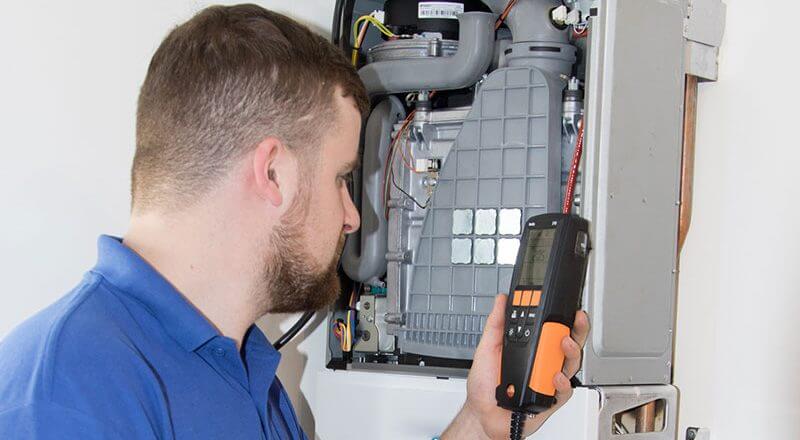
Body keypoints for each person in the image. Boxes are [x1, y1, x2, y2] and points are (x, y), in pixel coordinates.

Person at [0, 4, 588, 439]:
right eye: (340, 178)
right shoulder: (65, 395)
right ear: (274, 173)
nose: (352, 218)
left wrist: (482, 423)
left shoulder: (242, 366)